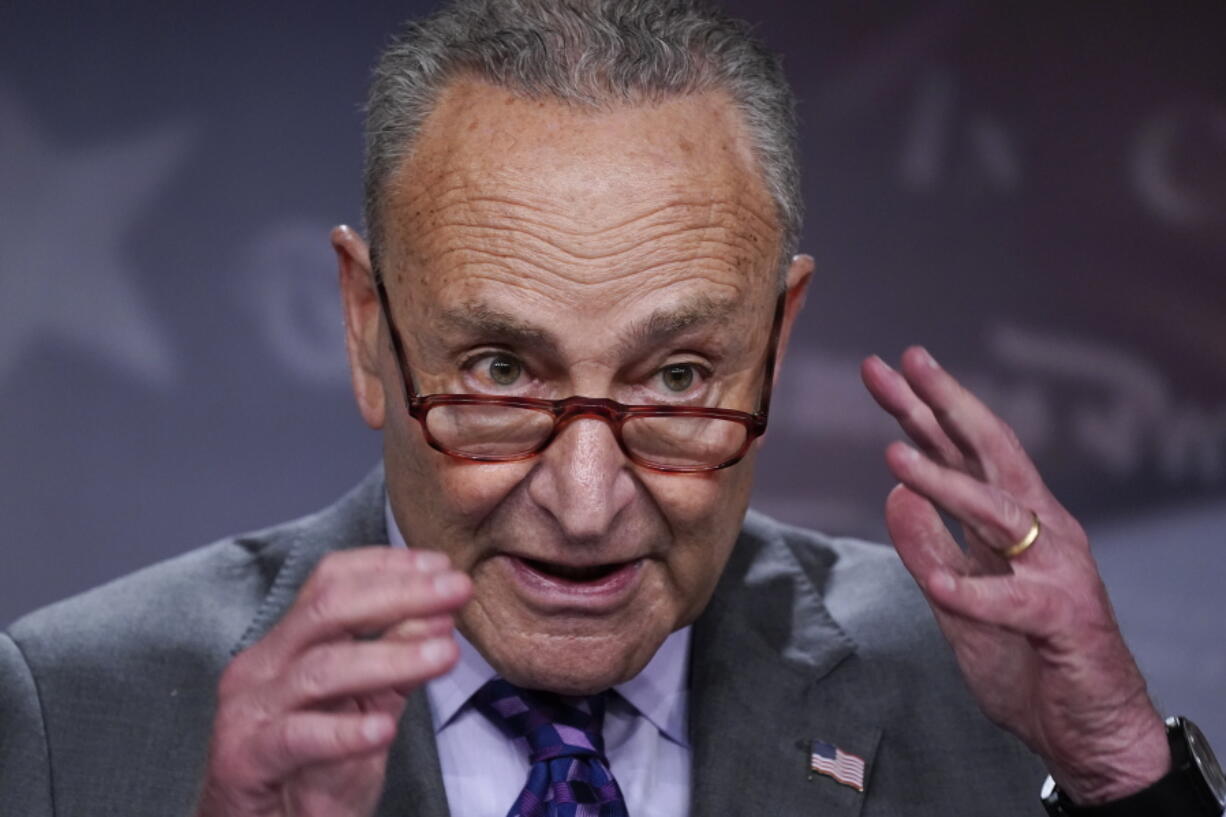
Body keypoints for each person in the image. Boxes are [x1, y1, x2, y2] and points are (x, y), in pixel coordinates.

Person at [2, 2, 1222, 816]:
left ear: (776, 340)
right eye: (495, 370)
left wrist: (1123, 775)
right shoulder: (69, 716)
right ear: (368, 327)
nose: (585, 507)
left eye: (679, 376)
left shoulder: (965, 688)